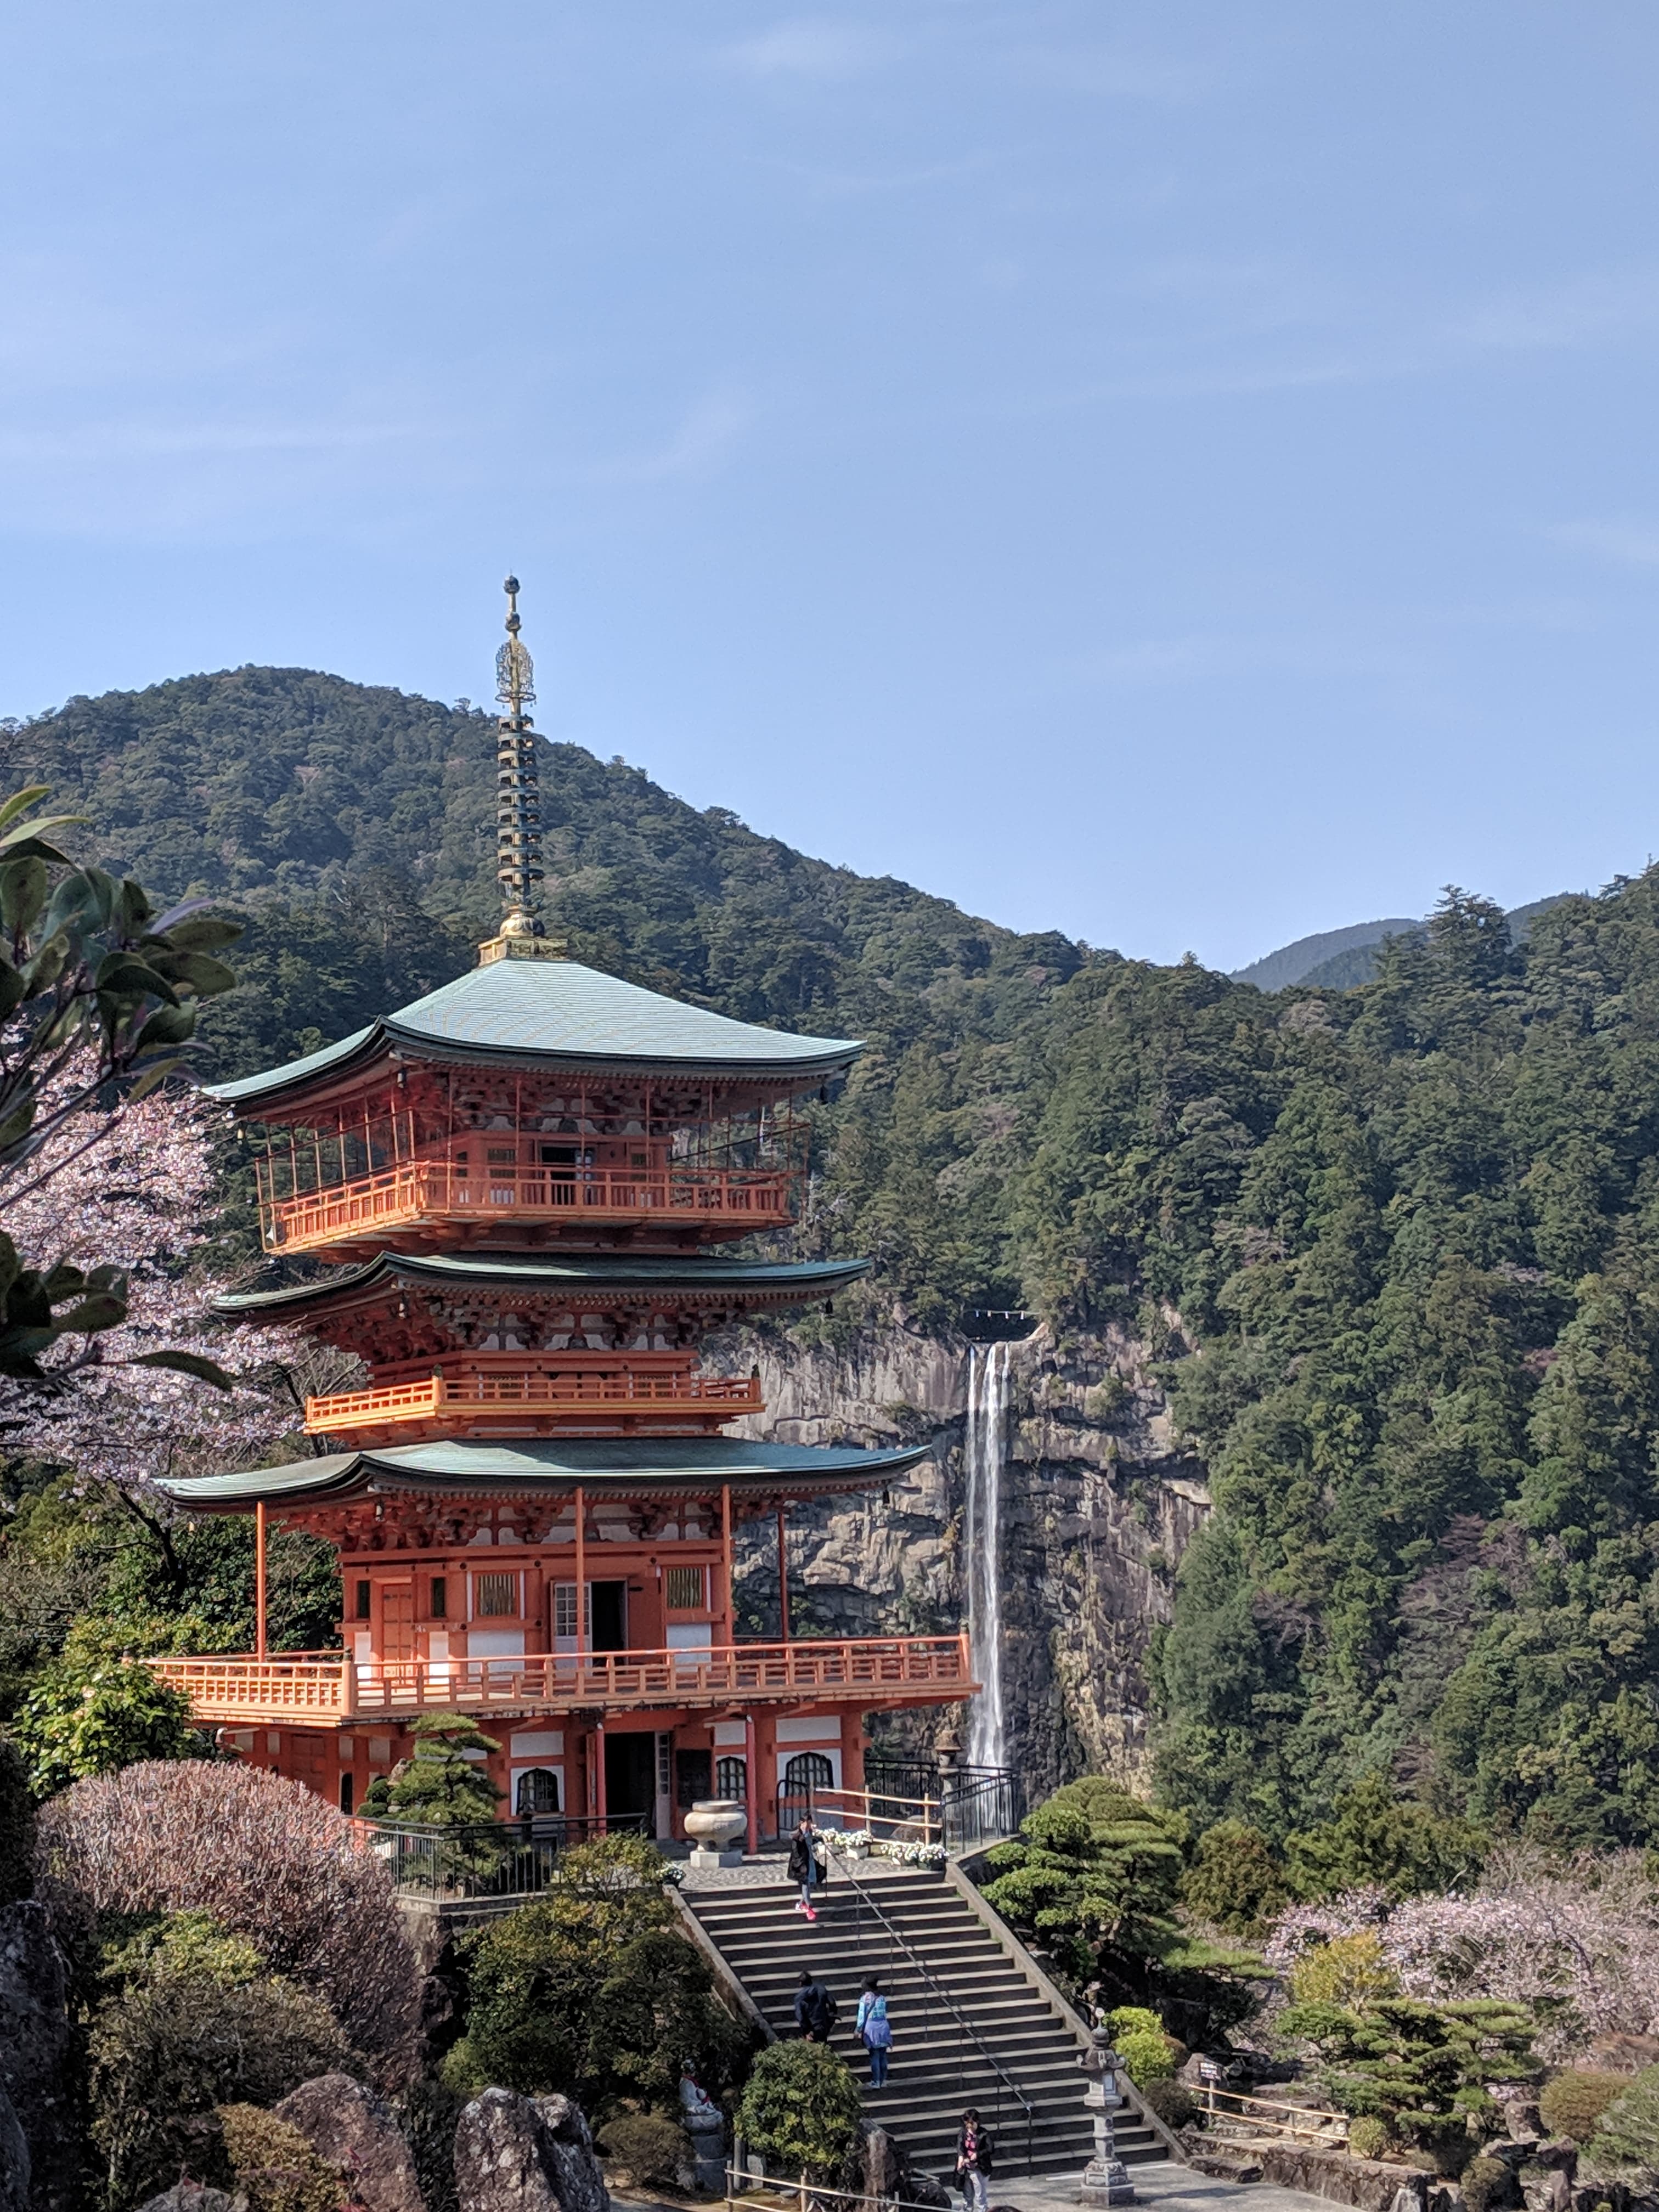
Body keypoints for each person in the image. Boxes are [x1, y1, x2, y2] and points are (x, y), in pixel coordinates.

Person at [855, 1973, 891, 2089]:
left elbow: (862, 2017)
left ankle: (876, 2081)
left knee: (874, 2056)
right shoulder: (882, 1998)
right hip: (883, 2027)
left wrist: (858, 2030)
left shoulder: (865, 1999)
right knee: (883, 2055)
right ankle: (884, 2080)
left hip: (871, 2029)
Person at [786, 1813, 825, 1919]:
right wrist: (801, 1863)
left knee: (812, 1881)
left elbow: (811, 1842)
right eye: (806, 1823)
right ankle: (809, 1907)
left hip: (810, 1862)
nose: (808, 1826)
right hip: (801, 1863)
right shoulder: (796, 1836)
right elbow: (796, 1851)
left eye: (809, 1823)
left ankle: (800, 1904)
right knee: (805, 1883)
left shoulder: (809, 1833)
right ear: (802, 1823)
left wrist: (819, 1839)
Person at [955, 2109, 993, 2212]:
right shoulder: (963, 2132)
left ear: (977, 2122)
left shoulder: (984, 2133)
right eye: (967, 2124)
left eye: (972, 2124)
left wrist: (977, 2155)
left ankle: (982, 2210)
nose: (970, 2127)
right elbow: (960, 2145)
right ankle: (967, 2210)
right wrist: (961, 2157)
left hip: (979, 2167)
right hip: (967, 2168)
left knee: (980, 2195)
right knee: (967, 2193)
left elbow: (990, 2148)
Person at [794, 1967, 834, 2044]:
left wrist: (806, 2031)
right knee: (823, 2046)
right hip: (822, 2025)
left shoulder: (799, 1998)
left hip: (810, 2027)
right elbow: (832, 2003)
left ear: (801, 1983)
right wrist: (830, 2020)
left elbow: (800, 2016)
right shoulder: (822, 1990)